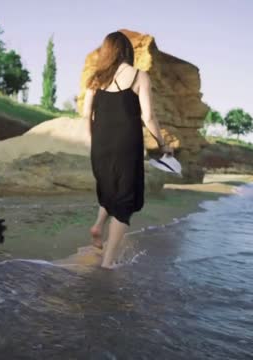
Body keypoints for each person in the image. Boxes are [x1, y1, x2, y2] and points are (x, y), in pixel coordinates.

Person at [82, 31, 171, 269]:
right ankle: (108, 262)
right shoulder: (139, 76)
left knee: (110, 188)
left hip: (99, 145)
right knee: (124, 201)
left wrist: (93, 141)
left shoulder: (94, 79)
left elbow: (85, 115)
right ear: (127, 51)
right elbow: (149, 117)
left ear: (107, 51)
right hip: (127, 146)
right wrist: (163, 144)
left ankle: (98, 226)